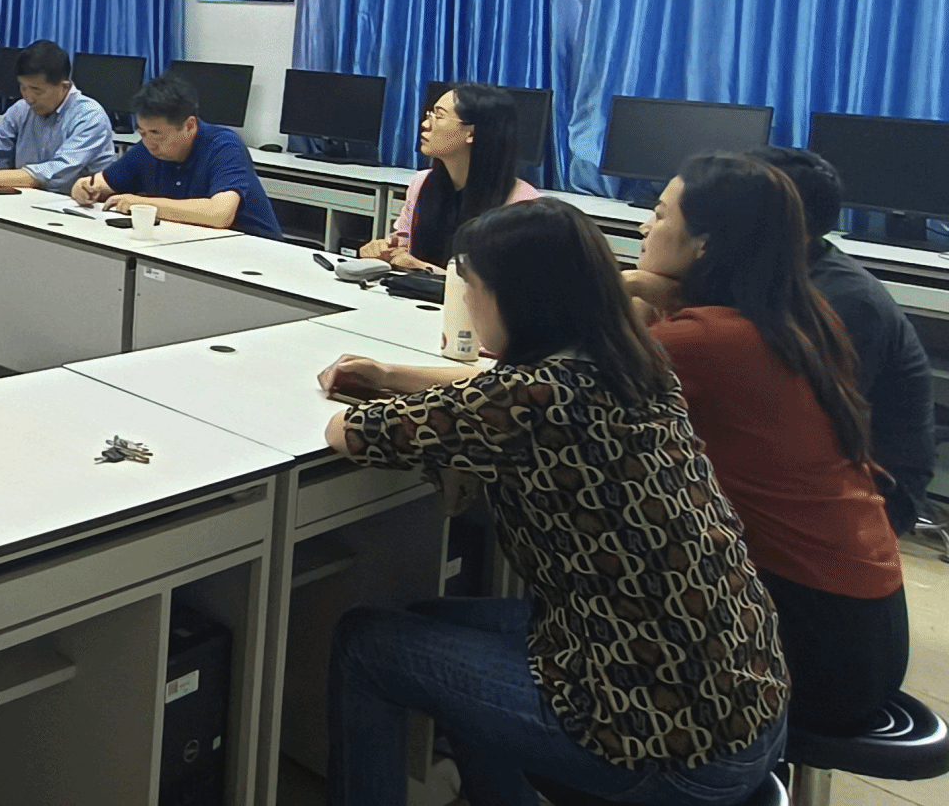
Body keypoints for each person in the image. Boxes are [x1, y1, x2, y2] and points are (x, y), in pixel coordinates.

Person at [318, 198, 787, 806]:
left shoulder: (528, 398)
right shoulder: (638, 367)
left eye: (473, 287)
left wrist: (388, 400)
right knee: (434, 623)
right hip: (746, 709)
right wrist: (389, 374)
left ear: (514, 299)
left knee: (364, 643)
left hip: (661, 744)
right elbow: (494, 393)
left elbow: (349, 433)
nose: (468, 302)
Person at [635, 152, 907, 737]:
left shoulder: (709, 340)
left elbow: (548, 382)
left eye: (657, 215)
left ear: (704, 244)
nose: (642, 228)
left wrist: (629, 285)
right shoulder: (801, 317)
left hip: (807, 640)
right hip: (869, 627)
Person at [751, 144, 936, 534]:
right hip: (809, 459)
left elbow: (801, 424)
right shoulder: (780, 269)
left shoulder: (845, 302)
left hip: (878, 488)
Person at [71, 73, 282, 238]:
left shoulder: (223, 146)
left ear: (189, 126)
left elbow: (219, 214)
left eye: (156, 133)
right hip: (192, 243)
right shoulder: (146, 150)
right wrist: (84, 189)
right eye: (142, 133)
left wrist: (141, 205)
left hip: (254, 250)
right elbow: (100, 184)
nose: (149, 142)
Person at [359, 83, 536, 272]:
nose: (425, 124)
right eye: (429, 115)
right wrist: (382, 251)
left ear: (471, 133)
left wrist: (424, 269)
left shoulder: (522, 204)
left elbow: (503, 284)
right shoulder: (421, 183)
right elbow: (403, 247)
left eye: (439, 116)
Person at [0, 41, 114, 192]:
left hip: (78, 207)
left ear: (64, 87)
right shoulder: (22, 109)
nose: (28, 98)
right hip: (30, 201)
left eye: (37, 90)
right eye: (23, 87)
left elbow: (56, 171)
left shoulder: (90, 116)